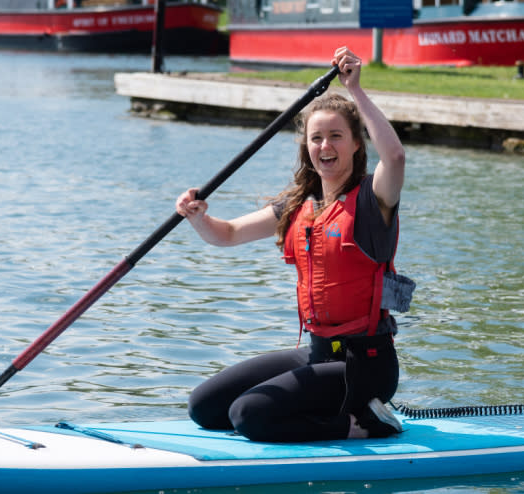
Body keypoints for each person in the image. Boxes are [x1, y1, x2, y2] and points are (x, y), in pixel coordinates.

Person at [174, 46, 409, 443]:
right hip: (317, 352)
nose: (325, 146)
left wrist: (356, 89)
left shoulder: (373, 200)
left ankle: (366, 425)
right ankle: (321, 409)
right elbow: (227, 234)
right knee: (205, 407)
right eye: (316, 138)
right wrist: (198, 216)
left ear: (356, 144)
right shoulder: (300, 205)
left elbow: (397, 156)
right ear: (307, 147)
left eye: (336, 136)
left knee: (249, 415)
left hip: (365, 364)